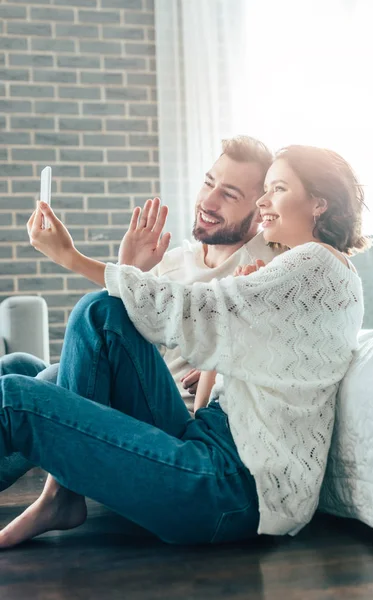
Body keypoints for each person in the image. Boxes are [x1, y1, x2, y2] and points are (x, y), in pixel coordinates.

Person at [0, 144, 370, 549]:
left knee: (13, 398)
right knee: (101, 313)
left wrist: (71, 258)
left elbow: (196, 309)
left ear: (319, 203)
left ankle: (61, 496)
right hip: (209, 443)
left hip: (234, 486)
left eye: (277, 189)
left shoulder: (315, 264)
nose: (265, 201)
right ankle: (62, 496)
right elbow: (221, 352)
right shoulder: (299, 267)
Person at [0, 135, 279, 492]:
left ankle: (61, 492)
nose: (207, 201)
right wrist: (131, 268)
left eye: (229, 195)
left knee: (51, 378)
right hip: (137, 398)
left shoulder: (261, 267)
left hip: (178, 423)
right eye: (209, 183)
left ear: (260, 210)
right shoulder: (175, 261)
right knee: (19, 366)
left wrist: (219, 360)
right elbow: (109, 339)